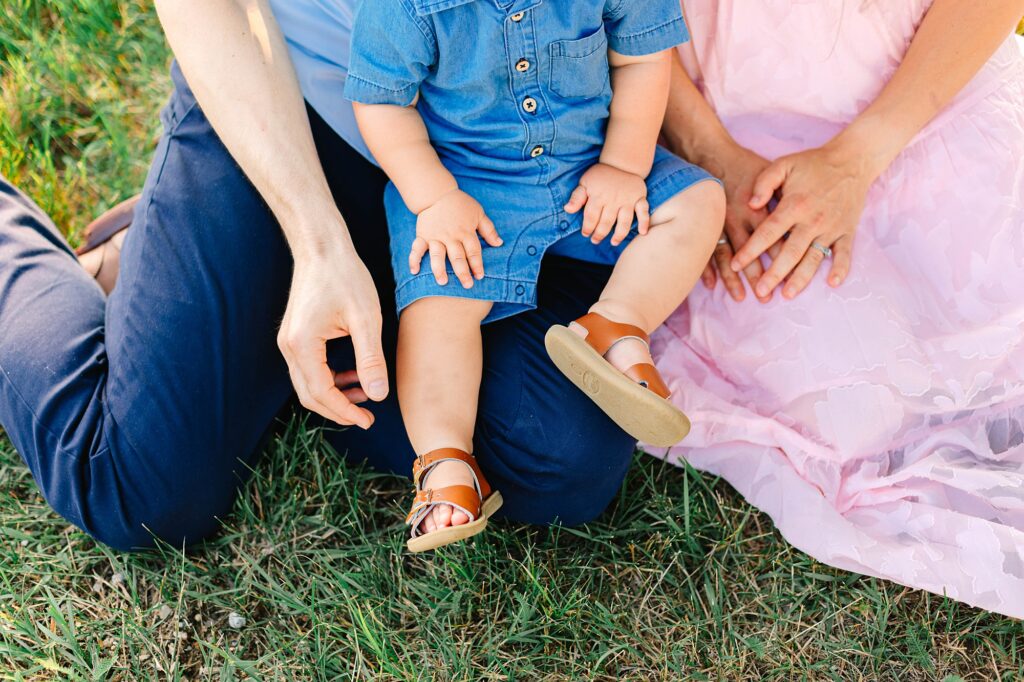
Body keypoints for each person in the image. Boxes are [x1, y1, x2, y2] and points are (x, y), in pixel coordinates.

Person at [0, 0, 655, 551]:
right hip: (298, 108)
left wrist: (711, 158)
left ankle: (243, 311)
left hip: (494, 172)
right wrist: (317, 243)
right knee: (138, 486)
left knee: (562, 457)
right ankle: (208, 271)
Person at [654, 0, 1024, 618]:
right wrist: (710, 154)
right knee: (856, 413)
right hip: (737, 140)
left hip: (929, 102)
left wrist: (858, 160)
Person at [343, 0, 723, 551]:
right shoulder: (406, 8)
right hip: (468, 187)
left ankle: (615, 325)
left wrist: (623, 165)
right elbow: (380, 103)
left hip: (589, 166)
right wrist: (434, 196)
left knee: (698, 202)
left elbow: (642, 59)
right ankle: (447, 458)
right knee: (438, 312)